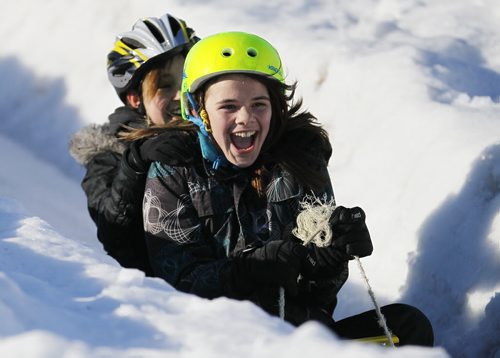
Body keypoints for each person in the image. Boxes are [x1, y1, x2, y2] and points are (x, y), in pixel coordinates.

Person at [138, 31, 434, 346]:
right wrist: (251, 270)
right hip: (215, 342)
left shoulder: (300, 159)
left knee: (408, 327)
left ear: (275, 107)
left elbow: (319, 295)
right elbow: (177, 284)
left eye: (258, 104)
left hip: (300, 336)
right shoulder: (174, 169)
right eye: (228, 106)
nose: (245, 119)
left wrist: (331, 257)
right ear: (200, 111)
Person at [69, 13, 198, 276]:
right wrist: (135, 163)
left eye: (186, 80)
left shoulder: (218, 132)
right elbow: (112, 230)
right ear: (134, 98)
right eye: (164, 85)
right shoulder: (107, 152)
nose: (180, 95)